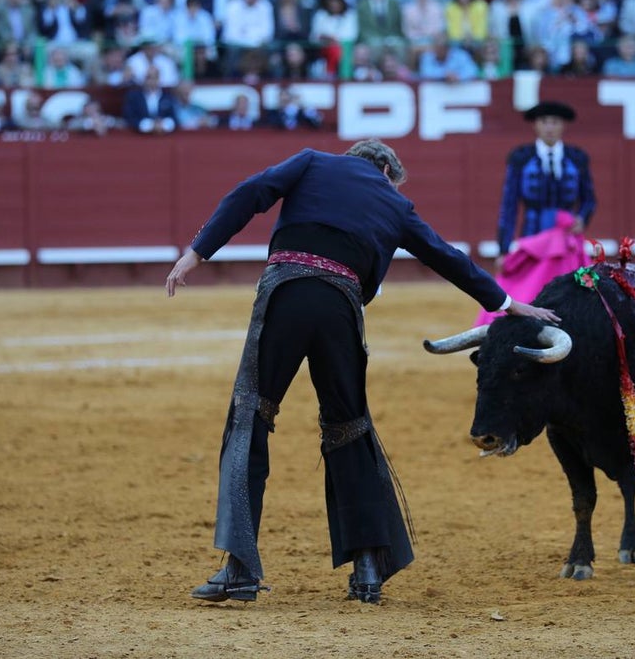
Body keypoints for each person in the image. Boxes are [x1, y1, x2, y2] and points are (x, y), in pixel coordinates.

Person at [165, 139, 559, 606]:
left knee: (251, 416)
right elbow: (447, 257)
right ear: (388, 171)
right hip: (340, 309)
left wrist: (198, 251)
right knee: (348, 427)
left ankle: (239, 570)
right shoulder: (395, 202)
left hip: (286, 295)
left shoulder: (311, 162)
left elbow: (251, 192)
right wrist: (508, 304)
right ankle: (368, 569)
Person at [487, 101, 596, 325]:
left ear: (563, 125)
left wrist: (582, 218)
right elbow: (509, 206)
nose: (549, 127)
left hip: (566, 242)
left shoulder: (577, 158)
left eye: (554, 122)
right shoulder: (521, 158)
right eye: (544, 122)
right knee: (529, 295)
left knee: (573, 297)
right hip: (532, 241)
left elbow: (589, 199)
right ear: (535, 125)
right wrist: (503, 249)